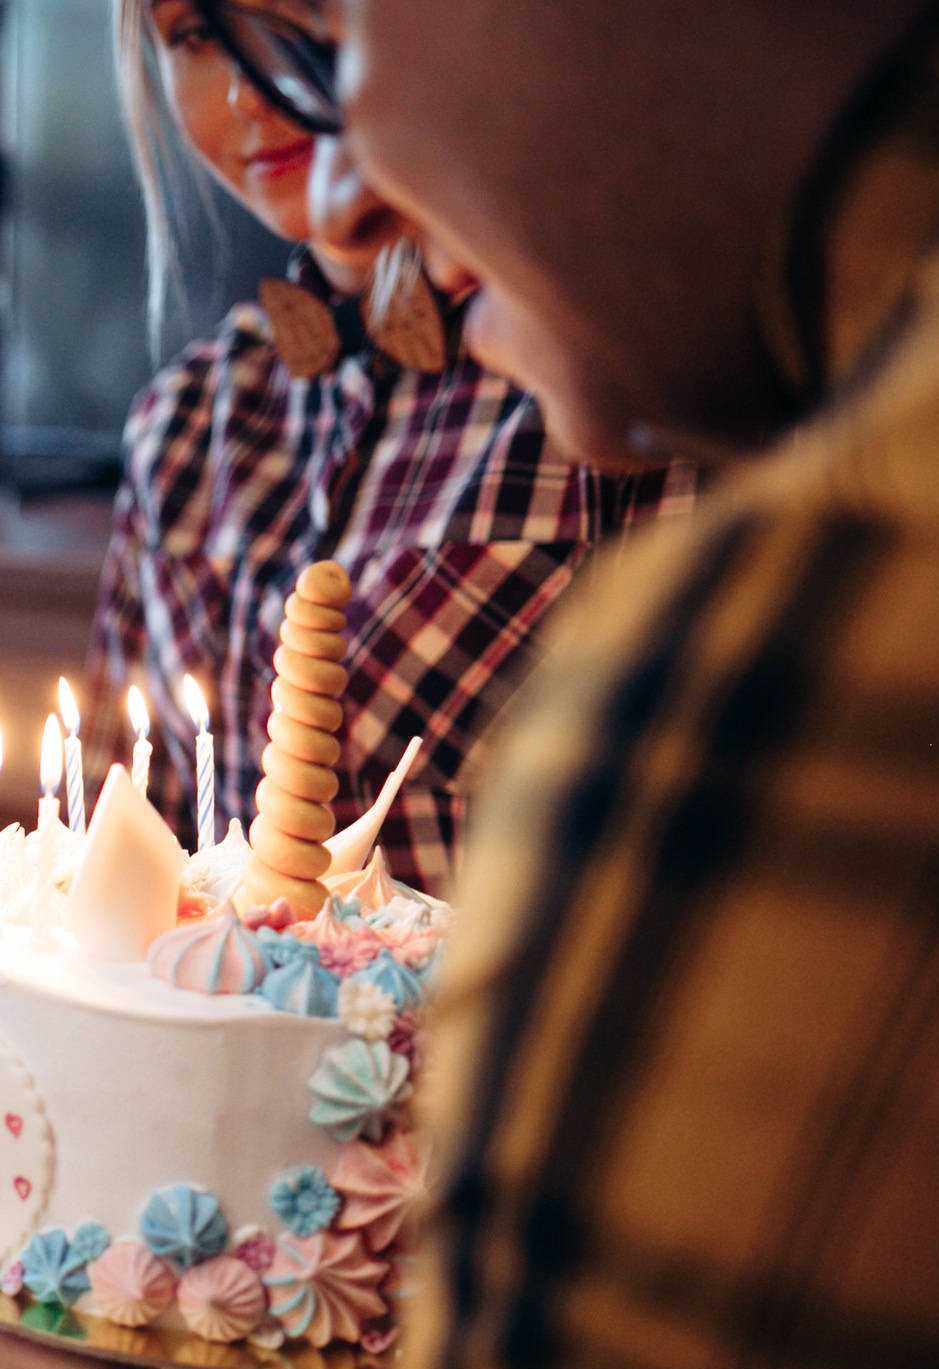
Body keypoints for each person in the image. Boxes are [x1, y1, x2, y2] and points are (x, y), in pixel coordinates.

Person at [0, 0, 939, 1369]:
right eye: (182, 41)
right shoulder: (214, 423)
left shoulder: (820, 593)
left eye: (330, 29)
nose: (352, 176)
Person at [85, 0, 697, 897]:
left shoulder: (606, 371)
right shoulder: (184, 424)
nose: (251, 94)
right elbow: (106, 860)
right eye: (197, 35)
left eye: (286, 14)